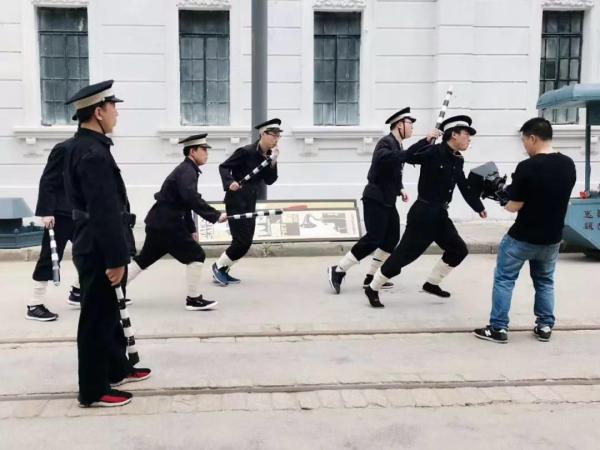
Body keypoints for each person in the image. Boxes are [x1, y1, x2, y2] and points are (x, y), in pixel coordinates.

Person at [64, 80, 150, 408]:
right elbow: (103, 209)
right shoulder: (92, 153)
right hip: (99, 247)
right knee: (96, 320)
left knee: (110, 313)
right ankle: (93, 390)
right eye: (113, 107)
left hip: (94, 242)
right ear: (99, 112)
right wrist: (116, 259)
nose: (117, 113)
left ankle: (116, 368)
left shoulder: (85, 146)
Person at [365, 115, 487, 308]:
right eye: (466, 134)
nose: (469, 139)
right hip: (423, 214)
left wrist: (478, 207)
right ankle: (373, 287)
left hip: (440, 215)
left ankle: (432, 283)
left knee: (458, 250)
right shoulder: (432, 151)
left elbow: (463, 185)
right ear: (454, 135)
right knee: (404, 256)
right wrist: (425, 140)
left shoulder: (458, 159)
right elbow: (409, 156)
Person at [474, 117, 576, 344]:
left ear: (532, 138)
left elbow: (514, 206)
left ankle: (498, 328)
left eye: (524, 142)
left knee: (504, 279)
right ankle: (545, 326)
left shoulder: (527, 167)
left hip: (522, 238)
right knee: (545, 281)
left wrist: (503, 198)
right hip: (552, 238)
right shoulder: (568, 164)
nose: (524, 147)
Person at [327, 107, 440, 294]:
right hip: (375, 199)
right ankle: (338, 270)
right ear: (399, 125)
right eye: (410, 124)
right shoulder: (385, 143)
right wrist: (425, 140)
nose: (412, 127)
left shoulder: (398, 145)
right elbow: (391, 159)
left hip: (388, 199)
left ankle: (371, 276)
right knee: (374, 238)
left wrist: (400, 188)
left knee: (392, 238)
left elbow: (394, 169)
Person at [126, 134, 227, 310]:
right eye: (203, 150)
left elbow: (184, 203)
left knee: (143, 260)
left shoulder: (186, 169)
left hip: (158, 222)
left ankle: (110, 293)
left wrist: (191, 229)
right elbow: (191, 198)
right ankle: (193, 299)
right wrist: (215, 215)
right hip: (168, 224)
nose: (207, 153)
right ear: (192, 151)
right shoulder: (187, 171)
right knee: (197, 255)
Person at [212, 118, 281, 285]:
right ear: (263, 134)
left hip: (250, 200)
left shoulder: (268, 156)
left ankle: (224, 268)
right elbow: (223, 167)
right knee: (241, 240)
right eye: (273, 135)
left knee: (246, 241)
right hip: (236, 199)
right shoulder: (245, 151)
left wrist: (273, 162)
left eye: (278, 136)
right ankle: (218, 266)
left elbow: (270, 180)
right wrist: (230, 182)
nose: (276, 139)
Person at [26, 139, 81, 321]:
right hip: (60, 213)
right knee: (49, 256)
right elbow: (48, 179)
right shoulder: (65, 148)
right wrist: (47, 211)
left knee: (91, 252)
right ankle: (34, 304)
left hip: (81, 213)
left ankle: (78, 292)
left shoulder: (94, 148)